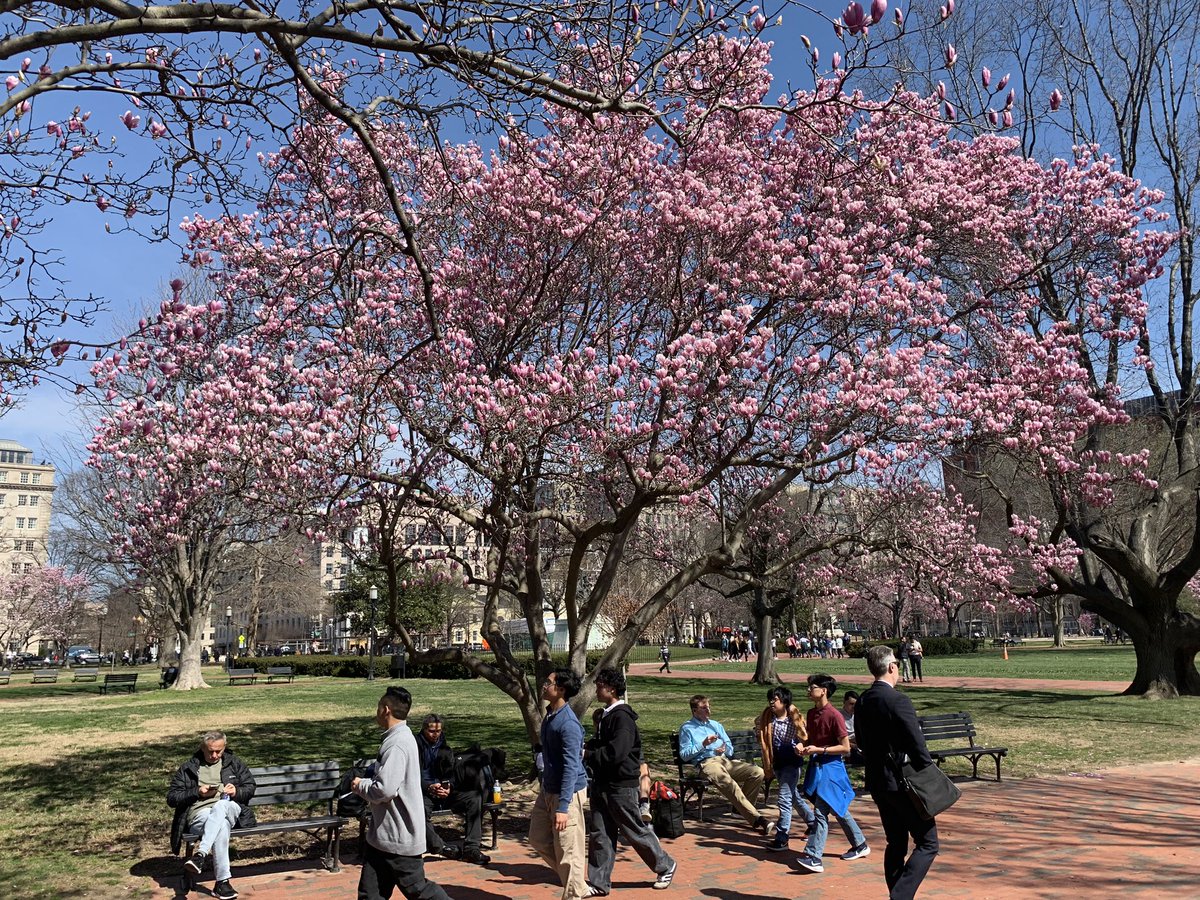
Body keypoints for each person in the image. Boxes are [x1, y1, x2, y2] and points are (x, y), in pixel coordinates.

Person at [855, 646, 940, 899]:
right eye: (898, 664)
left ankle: (897, 893)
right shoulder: (898, 700)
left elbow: (860, 740)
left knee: (896, 843)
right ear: (892, 667)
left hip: (878, 781)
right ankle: (900, 896)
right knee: (928, 843)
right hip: (902, 781)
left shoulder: (862, 700)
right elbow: (917, 743)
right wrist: (927, 770)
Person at [352, 687, 452, 900]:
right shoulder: (399, 737)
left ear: (385, 710)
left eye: (378, 707)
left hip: (398, 839)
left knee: (420, 890)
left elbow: (385, 789)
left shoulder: (397, 743)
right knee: (370, 894)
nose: (376, 712)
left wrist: (360, 785)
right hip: (382, 838)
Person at [584, 667, 677, 895]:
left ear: (612, 689)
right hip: (602, 783)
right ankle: (598, 882)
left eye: (600, 685)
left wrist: (589, 755)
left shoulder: (622, 717)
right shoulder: (607, 715)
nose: (596, 688)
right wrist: (588, 747)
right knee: (600, 833)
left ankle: (665, 865)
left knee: (633, 829)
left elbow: (617, 752)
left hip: (620, 785)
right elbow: (604, 746)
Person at [168, 730, 257, 900]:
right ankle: (222, 883)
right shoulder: (188, 768)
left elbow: (250, 787)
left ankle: (200, 854)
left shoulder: (234, 763)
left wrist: (236, 791)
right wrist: (197, 792)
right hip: (200, 815)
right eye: (211, 751)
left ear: (224, 748)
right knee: (221, 825)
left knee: (222, 804)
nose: (215, 755)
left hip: (231, 809)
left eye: (219, 751)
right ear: (202, 748)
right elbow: (172, 798)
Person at [795, 674, 870, 874]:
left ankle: (814, 856)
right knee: (838, 809)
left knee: (820, 811)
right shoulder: (811, 714)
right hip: (817, 766)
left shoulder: (834, 715)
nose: (808, 690)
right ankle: (860, 844)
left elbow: (845, 748)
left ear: (824, 691)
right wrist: (802, 745)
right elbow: (811, 737)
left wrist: (820, 750)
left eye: (812, 687)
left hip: (832, 768)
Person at [529, 669, 590, 900]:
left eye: (549, 683)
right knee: (537, 838)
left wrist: (563, 807)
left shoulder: (568, 725)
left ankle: (574, 892)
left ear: (561, 690)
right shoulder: (550, 716)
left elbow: (571, 768)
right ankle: (577, 884)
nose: (544, 685)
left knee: (568, 851)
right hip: (549, 790)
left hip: (568, 793)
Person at [678, 694, 770, 833]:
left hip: (725, 761)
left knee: (757, 772)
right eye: (704, 708)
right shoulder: (687, 728)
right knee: (729, 783)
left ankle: (739, 811)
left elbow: (729, 747)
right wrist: (703, 744)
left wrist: (725, 749)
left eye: (709, 707)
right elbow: (684, 755)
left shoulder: (715, 725)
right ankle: (757, 818)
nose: (708, 710)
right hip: (707, 764)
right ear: (694, 711)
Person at [415, 714, 490, 865]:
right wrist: (428, 786)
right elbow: (409, 774)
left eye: (438, 731)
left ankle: (471, 848)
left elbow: (451, 774)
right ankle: (441, 847)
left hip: (444, 793)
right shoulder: (414, 746)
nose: (435, 735)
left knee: (474, 797)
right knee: (417, 810)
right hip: (423, 792)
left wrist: (448, 786)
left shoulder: (444, 748)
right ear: (423, 730)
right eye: (431, 731)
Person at [755, 686, 815, 851]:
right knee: (793, 797)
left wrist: (800, 745)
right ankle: (813, 823)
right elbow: (762, 735)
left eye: (775, 699)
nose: (771, 703)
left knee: (784, 799)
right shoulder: (768, 718)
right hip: (778, 764)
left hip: (792, 764)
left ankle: (782, 838)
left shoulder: (794, 718)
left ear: (785, 701)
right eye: (770, 699)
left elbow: (805, 737)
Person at [842, 690, 864, 767]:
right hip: (847, 746)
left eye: (856, 704)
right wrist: (852, 744)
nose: (854, 707)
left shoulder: (859, 716)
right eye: (851, 704)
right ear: (844, 702)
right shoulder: (839, 716)